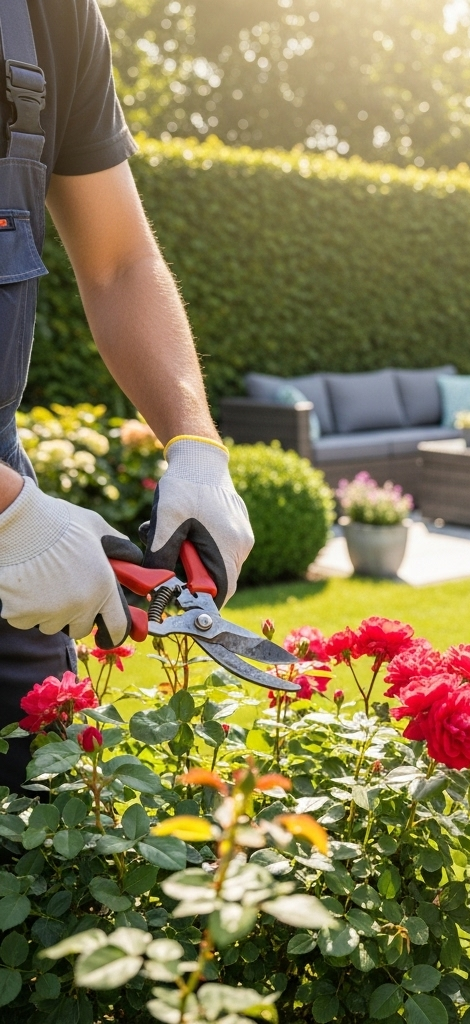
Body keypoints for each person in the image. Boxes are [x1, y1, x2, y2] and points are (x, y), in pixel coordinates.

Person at [0, 0, 254, 788]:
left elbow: (118, 264)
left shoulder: (48, 14)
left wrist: (196, 443)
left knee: (47, 812)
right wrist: (9, 515)